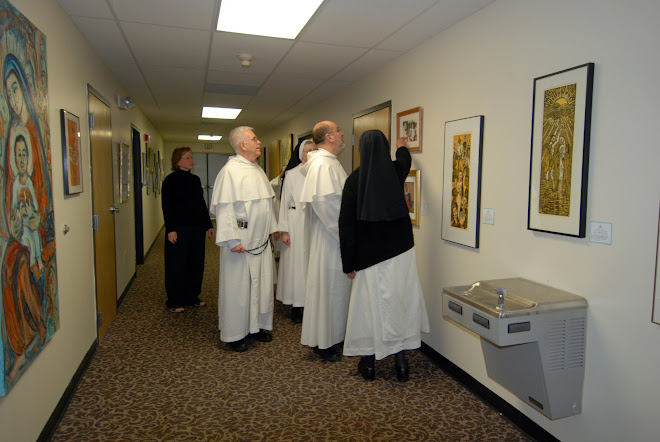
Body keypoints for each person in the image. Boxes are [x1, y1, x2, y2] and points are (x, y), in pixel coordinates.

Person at [339, 130, 429, 382]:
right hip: (401, 251)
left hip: (369, 256)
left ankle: (368, 363)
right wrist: (402, 146)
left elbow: (345, 228)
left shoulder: (354, 181)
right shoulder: (394, 172)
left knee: (369, 308)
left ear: (361, 152)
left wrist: (348, 263)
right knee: (399, 302)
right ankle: (401, 363)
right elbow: (404, 161)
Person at [209, 126, 276, 352]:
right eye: (254, 139)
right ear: (242, 145)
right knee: (238, 289)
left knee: (262, 285)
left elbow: (266, 204)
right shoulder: (230, 171)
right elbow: (224, 209)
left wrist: (271, 230)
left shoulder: (256, 169)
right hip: (241, 240)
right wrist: (231, 240)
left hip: (260, 240)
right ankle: (235, 335)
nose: (259, 142)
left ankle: (256, 327)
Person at [299, 121, 351, 362]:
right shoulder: (322, 165)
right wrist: (345, 237)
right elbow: (326, 206)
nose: (342, 133)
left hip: (333, 235)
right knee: (329, 289)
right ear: (330, 137)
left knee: (335, 290)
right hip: (332, 237)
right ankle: (324, 342)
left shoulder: (329, 163)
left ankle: (332, 337)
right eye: (338, 130)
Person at [161, 147, 215, 313]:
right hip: (179, 229)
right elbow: (167, 207)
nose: (191, 160)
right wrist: (171, 229)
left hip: (197, 228)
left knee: (196, 263)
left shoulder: (195, 180)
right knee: (177, 264)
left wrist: (208, 225)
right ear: (178, 161)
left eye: (191, 157)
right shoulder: (170, 181)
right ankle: (174, 300)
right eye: (187, 158)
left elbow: (201, 204)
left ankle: (192, 296)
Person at [276, 139, 316, 323]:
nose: (311, 153)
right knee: (297, 265)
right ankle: (297, 305)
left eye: (314, 150)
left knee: (312, 264)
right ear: (300, 154)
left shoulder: (319, 172)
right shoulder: (291, 174)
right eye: (307, 151)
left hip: (315, 224)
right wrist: (284, 230)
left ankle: (313, 303)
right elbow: (284, 203)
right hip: (296, 224)